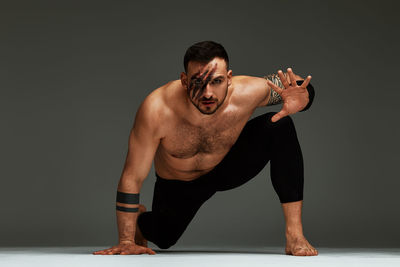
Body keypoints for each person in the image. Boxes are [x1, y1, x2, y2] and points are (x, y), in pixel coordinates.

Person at [93, 40, 318, 256]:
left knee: (280, 126)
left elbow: (298, 85)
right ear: (184, 80)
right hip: (180, 185)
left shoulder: (247, 92)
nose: (208, 93)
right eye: (198, 83)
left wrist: (304, 97)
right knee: (164, 238)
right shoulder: (157, 109)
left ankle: (295, 235)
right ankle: (142, 222)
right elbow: (132, 175)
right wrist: (125, 241)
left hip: (227, 166)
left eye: (217, 81)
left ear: (229, 79)